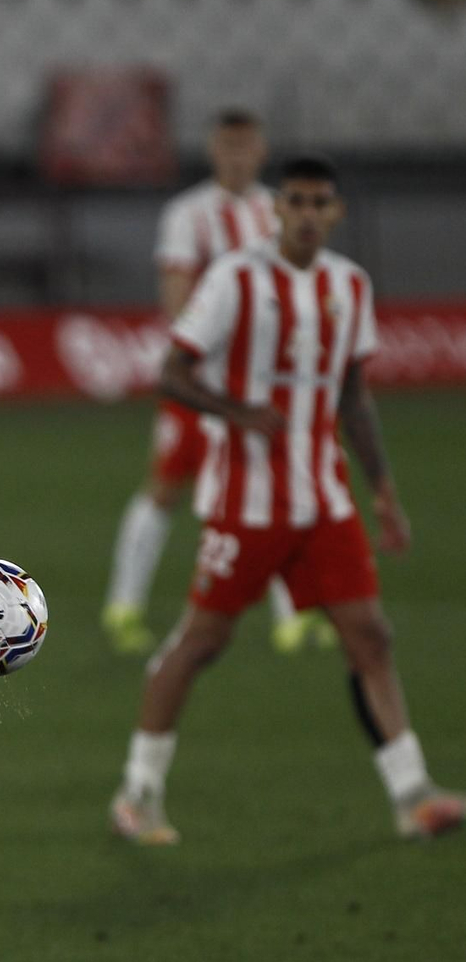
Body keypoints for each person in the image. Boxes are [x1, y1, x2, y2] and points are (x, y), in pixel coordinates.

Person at [109, 156, 463, 846]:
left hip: (325, 500)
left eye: (319, 202)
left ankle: (413, 794)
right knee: (200, 644)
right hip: (246, 503)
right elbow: (173, 374)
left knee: (371, 636)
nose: (305, 213)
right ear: (279, 211)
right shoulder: (236, 280)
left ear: (336, 213)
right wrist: (235, 411)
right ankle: (138, 791)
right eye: (295, 200)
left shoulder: (349, 285)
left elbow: (354, 395)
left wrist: (384, 490)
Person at [103, 109, 328, 656]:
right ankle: (124, 606)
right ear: (213, 150)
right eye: (227, 146)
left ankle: (292, 619)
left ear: (260, 150)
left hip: (261, 384)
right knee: (166, 487)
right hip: (202, 384)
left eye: (245, 145)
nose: (236, 155)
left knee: (273, 491)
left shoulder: (277, 209)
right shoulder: (190, 213)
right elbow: (177, 293)